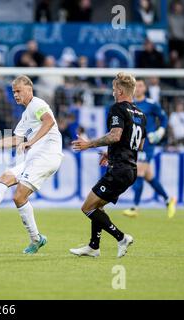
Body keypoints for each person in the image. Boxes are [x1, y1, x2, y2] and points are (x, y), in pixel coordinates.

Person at [0, 75, 64, 254]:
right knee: (4, 179)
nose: (15, 95)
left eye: (19, 91)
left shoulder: (38, 105)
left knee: (19, 196)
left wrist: (31, 142)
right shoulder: (25, 115)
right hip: (34, 158)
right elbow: (16, 139)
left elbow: (49, 122)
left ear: (29, 90)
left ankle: (36, 239)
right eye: (13, 92)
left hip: (47, 156)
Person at [70, 72, 147, 258]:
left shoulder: (117, 109)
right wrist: (110, 153)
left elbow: (115, 136)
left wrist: (89, 144)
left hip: (120, 170)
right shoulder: (140, 114)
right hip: (130, 169)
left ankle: (121, 238)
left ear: (120, 91)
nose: (113, 93)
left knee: (87, 207)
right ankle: (93, 247)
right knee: (98, 206)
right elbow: (139, 144)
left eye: (114, 90)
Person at [122, 79, 175, 219]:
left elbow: (163, 118)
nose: (138, 88)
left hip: (148, 144)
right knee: (148, 176)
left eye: (140, 86)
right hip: (134, 144)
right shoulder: (129, 104)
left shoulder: (151, 104)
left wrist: (160, 132)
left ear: (145, 88)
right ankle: (168, 200)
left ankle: (135, 207)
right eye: (136, 86)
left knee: (138, 171)